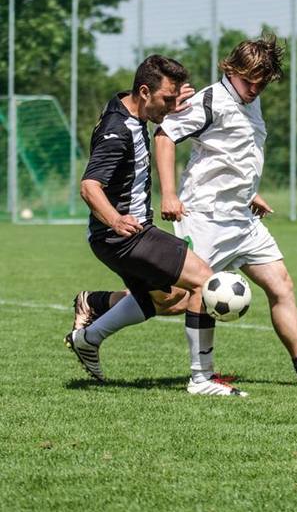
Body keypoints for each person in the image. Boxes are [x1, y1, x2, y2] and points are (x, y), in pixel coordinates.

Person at [75, 37, 297, 390]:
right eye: (248, 81)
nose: (254, 89)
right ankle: (102, 313)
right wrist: (169, 194)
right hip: (206, 217)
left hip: (242, 217)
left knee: (280, 284)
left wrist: (249, 191)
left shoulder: (250, 101)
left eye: (262, 83)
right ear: (231, 70)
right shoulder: (209, 101)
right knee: (177, 298)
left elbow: (234, 153)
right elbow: (164, 135)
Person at [65, 53, 247, 397]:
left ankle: (89, 336)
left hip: (114, 239)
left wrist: (171, 103)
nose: (170, 106)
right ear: (145, 92)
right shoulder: (117, 131)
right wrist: (116, 219)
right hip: (126, 236)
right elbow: (89, 187)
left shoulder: (130, 107)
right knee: (205, 281)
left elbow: (148, 105)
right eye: (166, 98)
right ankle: (202, 380)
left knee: (170, 299)